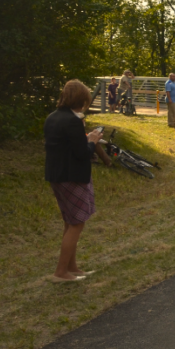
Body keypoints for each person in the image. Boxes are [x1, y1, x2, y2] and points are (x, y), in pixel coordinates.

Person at [45, 80, 103, 282]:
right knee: (77, 223)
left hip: (56, 175)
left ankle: (72, 268)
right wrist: (92, 141)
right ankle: (60, 272)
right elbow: (81, 153)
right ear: (83, 100)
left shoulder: (52, 117)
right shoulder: (73, 121)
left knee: (70, 222)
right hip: (73, 177)